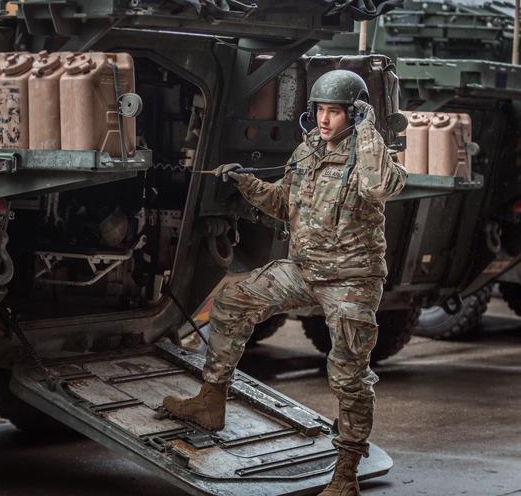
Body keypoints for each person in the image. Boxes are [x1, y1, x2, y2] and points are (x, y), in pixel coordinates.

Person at [161, 69, 407, 496]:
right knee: (234, 299)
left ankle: (346, 472)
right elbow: (283, 202)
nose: (326, 120)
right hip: (304, 270)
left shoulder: (371, 154)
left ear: (355, 113)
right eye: (321, 111)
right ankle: (211, 400)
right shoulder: (309, 148)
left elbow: (380, 186)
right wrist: (246, 184)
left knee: (349, 374)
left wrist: (368, 131)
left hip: (350, 280)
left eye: (336, 112)